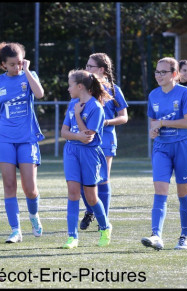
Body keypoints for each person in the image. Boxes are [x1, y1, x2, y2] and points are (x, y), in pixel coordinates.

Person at [0, 42, 44, 243]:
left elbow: (40, 94)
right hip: (4, 138)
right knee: (9, 185)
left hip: (27, 139)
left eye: (19, 63)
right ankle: (16, 230)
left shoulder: (29, 75)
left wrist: (26, 71)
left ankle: (34, 216)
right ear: (2, 65)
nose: (16, 67)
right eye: (12, 65)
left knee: (30, 188)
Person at [141, 57, 187, 250]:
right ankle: (156, 235)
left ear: (174, 74)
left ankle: (185, 235)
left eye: (163, 72)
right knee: (160, 192)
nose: (159, 75)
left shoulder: (185, 93)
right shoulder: (153, 95)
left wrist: (164, 123)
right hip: (161, 148)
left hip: (182, 146)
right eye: (157, 72)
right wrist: (153, 131)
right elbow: (152, 125)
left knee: (183, 193)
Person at [60, 69, 113, 249]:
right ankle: (72, 237)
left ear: (80, 86)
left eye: (70, 85)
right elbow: (64, 132)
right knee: (73, 192)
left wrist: (77, 116)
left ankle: (105, 227)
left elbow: (88, 136)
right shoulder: (72, 103)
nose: (68, 89)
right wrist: (75, 135)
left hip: (89, 153)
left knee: (91, 197)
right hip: (71, 151)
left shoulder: (96, 108)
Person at [79, 53, 128, 231]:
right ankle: (91, 209)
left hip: (106, 139)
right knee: (84, 181)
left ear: (101, 70)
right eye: (86, 65)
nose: (86, 69)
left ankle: (103, 223)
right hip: (87, 139)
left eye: (90, 66)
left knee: (102, 180)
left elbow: (123, 117)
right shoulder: (84, 89)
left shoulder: (114, 90)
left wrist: (106, 122)